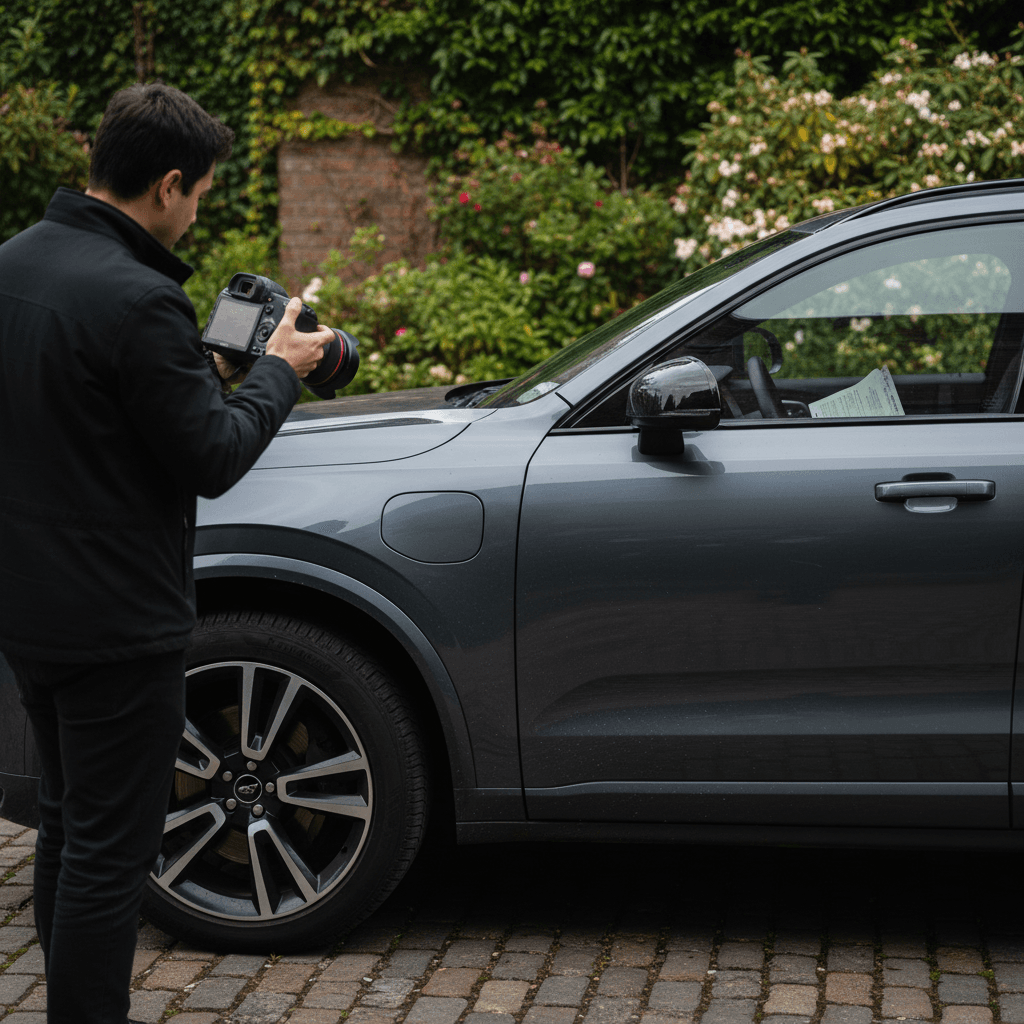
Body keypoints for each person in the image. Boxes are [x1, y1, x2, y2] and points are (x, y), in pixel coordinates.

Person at [0, 83, 333, 1024]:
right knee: (112, 854)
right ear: (168, 184)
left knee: (67, 823)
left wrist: (205, 370)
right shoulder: (141, 297)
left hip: (28, 607)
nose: (195, 216)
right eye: (199, 196)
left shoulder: (13, 263)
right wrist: (279, 372)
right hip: (116, 624)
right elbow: (214, 457)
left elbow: (85, 407)